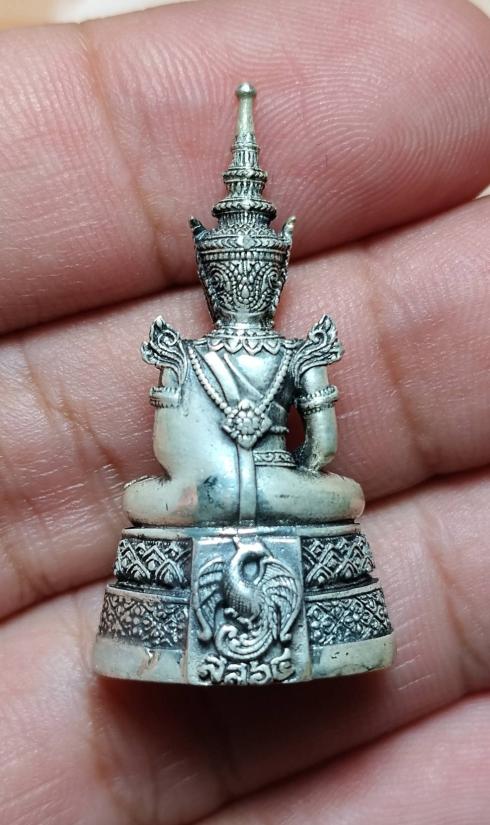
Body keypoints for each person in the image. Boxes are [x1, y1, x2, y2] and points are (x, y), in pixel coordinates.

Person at [0, 0, 489, 822]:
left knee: (155, 500)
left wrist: (214, 478)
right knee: (335, 497)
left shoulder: (199, 355)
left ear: (222, 275)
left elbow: (176, 453)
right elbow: (318, 451)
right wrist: (282, 470)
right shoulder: (290, 352)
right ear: (262, 272)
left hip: (206, 497)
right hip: (275, 491)